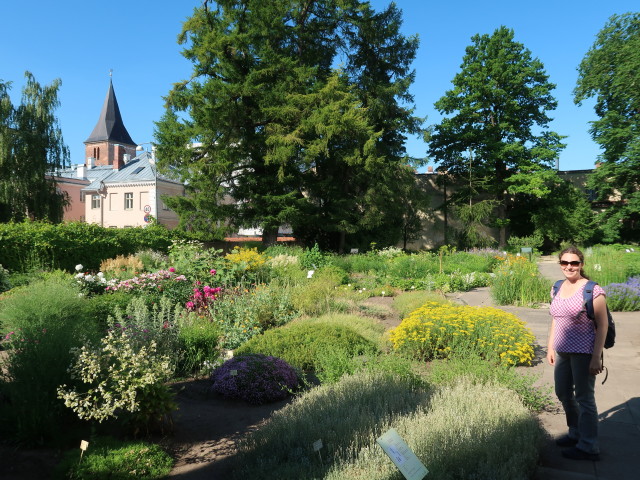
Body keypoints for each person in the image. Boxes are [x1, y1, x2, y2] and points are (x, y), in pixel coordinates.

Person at [546, 246, 608, 461]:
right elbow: (556, 318)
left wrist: (595, 356)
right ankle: (575, 432)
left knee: (584, 398)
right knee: (563, 392)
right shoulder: (557, 287)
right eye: (565, 263)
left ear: (581, 264)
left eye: (574, 263)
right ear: (560, 264)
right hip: (562, 350)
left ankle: (589, 446)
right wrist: (550, 347)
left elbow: (602, 326)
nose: (569, 267)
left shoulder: (592, 290)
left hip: (584, 353)